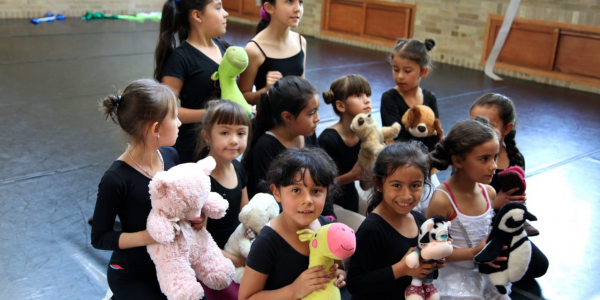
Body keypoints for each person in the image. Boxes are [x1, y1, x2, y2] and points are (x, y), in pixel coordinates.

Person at [91, 79, 185, 300]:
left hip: (167, 265)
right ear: (155, 129)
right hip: (131, 273)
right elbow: (100, 238)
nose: (180, 122)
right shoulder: (116, 179)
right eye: (174, 117)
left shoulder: (171, 156)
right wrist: (149, 236)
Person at [238, 147, 346, 300]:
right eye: (296, 190)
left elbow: (339, 267)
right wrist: (293, 290)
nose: (307, 200)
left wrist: (340, 275)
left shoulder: (325, 227)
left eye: (316, 191)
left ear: (327, 192)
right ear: (277, 192)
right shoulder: (267, 242)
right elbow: (246, 298)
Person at [426, 116, 510, 300]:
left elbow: (485, 232)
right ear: (458, 160)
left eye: (495, 157)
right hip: (453, 279)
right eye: (484, 159)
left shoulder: (489, 193)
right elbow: (433, 249)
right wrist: (474, 253)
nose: (494, 166)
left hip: (484, 272)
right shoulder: (443, 200)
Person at [346, 141, 443, 299]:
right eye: (397, 185)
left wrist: (432, 264)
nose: (406, 195)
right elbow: (355, 283)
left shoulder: (419, 220)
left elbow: (418, 273)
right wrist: (401, 268)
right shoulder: (371, 229)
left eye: (415, 185)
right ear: (378, 183)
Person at [470, 93, 548, 279]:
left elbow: (515, 196)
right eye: (475, 123)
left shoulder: (514, 157)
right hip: (472, 222)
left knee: (539, 266)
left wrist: (516, 205)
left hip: (500, 223)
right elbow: (458, 200)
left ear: (507, 128)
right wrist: (495, 202)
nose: (480, 130)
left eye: (488, 124)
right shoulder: (468, 155)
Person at [242, 76, 335, 216]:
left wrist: (329, 216)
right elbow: (269, 199)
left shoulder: (309, 135)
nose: (318, 118)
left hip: (310, 213)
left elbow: (322, 180)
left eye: (317, 111)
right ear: (287, 117)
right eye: (311, 113)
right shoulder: (265, 147)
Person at [154, 0, 230, 163]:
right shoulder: (180, 58)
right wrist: (209, 114)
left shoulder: (224, 48)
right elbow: (167, 109)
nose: (226, 13)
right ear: (197, 15)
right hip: (193, 149)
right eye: (218, 7)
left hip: (223, 143)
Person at [194, 100, 252, 299]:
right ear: (207, 136)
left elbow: (247, 213)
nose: (234, 140)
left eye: (241, 133)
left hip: (237, 249)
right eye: (225, 133)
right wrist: (237, 260)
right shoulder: (200, 181)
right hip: (214, 261)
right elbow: (200, 242)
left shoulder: (238, 167)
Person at [319, 74, 372, 212]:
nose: (367, 100)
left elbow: (365, 186)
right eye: (358, 95)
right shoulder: (328, 140)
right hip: (329, 204)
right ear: (341, 105)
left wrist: (373, 168)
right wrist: (351, 176)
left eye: (367, 95)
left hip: (350, 199)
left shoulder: (364, 136)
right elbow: (319, 186)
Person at [238, 0, 306, 105]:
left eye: (300, 2)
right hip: (269, 120)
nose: (298, 8)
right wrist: (266, 91)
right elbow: (242, 96)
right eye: (289, 1)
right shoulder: (254, 50)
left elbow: (302, 87)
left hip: (294, 119)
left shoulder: (301, 42)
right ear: (269, 7)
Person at [380, 38, 439, 152]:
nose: (400, 76)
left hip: (426, 159)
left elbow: (434, 133)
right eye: (396, 70)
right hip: (399, 158)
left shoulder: (430, 98)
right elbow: (397, 136)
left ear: (423, 72)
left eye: (407, 71)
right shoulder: (389, 98)